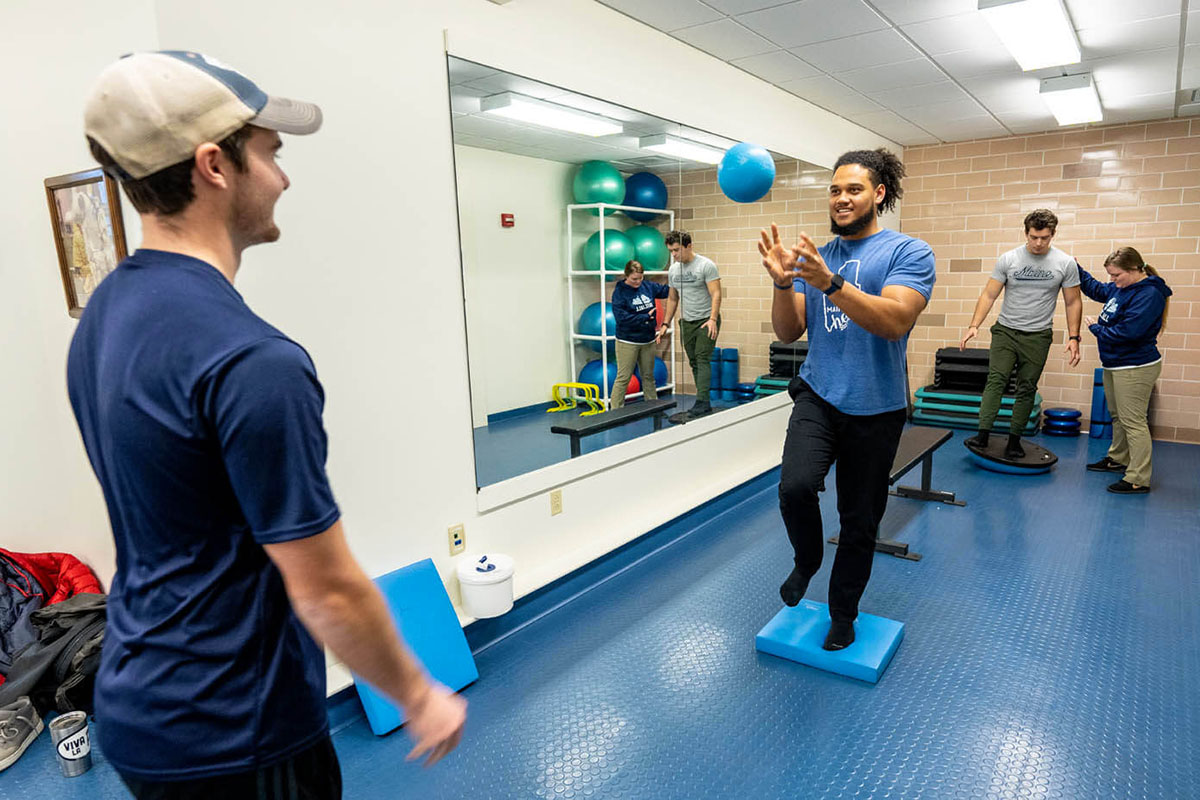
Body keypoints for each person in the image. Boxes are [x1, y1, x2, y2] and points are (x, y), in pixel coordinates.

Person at [68, 51, 465, 798]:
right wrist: (418, 695)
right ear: (215, 166)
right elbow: (328, 590)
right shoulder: (253, 360)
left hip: (139, 703)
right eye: (271, 155)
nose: (283, 178)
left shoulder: (104, 315)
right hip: (238, 728)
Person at [758, 148, 935, 651]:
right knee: (795, 487)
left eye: (853, 189)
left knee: (859, 521)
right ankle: (807, 559)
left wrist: (829, 283)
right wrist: (782, 282)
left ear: (879, 194)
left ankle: (843, 613)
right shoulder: (817, 257)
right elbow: (789, 332)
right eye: (835, 189)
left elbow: (895, 321)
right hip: (819, 393)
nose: (841, 198)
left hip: (877, 407)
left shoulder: (908, 253)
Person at [960, 209, 1083, 458]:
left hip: (1038, 335)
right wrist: (974, 325)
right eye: (1034, 237)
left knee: (1027, 387)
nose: (1038, 243)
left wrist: (1074, 337)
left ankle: (1015, 439)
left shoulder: (1065, 263)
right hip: (1006, 331)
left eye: (1045, 238)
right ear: (1026, 233)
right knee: (996, 381)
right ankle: (983, 434)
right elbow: (989, 294)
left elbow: (1073, 302)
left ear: (1053, 235)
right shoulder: (1009, 259)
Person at [1078, 247, 1172, 494]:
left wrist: (1097, 329)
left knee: (1134, 422)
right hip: (1116, 364)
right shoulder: (1123, 287)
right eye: (1110, 275)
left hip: (1135, 366)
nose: (1112, 280)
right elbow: (1098, 289)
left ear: (1134, 270)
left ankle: (1138, 477)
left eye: (1116, 275)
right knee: (1118, 416)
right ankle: (1118, 459)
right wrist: (1076, 269)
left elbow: (1128, 333)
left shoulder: (1149, 294)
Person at [657, 230, 721, 422]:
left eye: (677, 250)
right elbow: (672, 297)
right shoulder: (673, 270)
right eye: (671, 251)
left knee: (702, 358)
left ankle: (702, 401)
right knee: (693, 361)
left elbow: (716, 294)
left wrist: (712, 319)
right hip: (687, 322)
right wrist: (665, 323)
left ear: (688, 246)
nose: (674, 255)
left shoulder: (706, 266)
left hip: (706, 320)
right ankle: (704, 401)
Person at [610, 260, 670, 409]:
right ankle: (615, 411)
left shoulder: (647, 286)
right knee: (623, 378)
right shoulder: (620, 292)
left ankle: (653, 407)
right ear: (626, 276)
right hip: (627, 341)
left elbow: (667, 291)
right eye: (634, 279)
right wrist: (644, 318)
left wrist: (680, 282)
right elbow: (621, 318)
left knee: (648, 377)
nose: (638, 282)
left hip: (647, 340)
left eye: (640, 278)